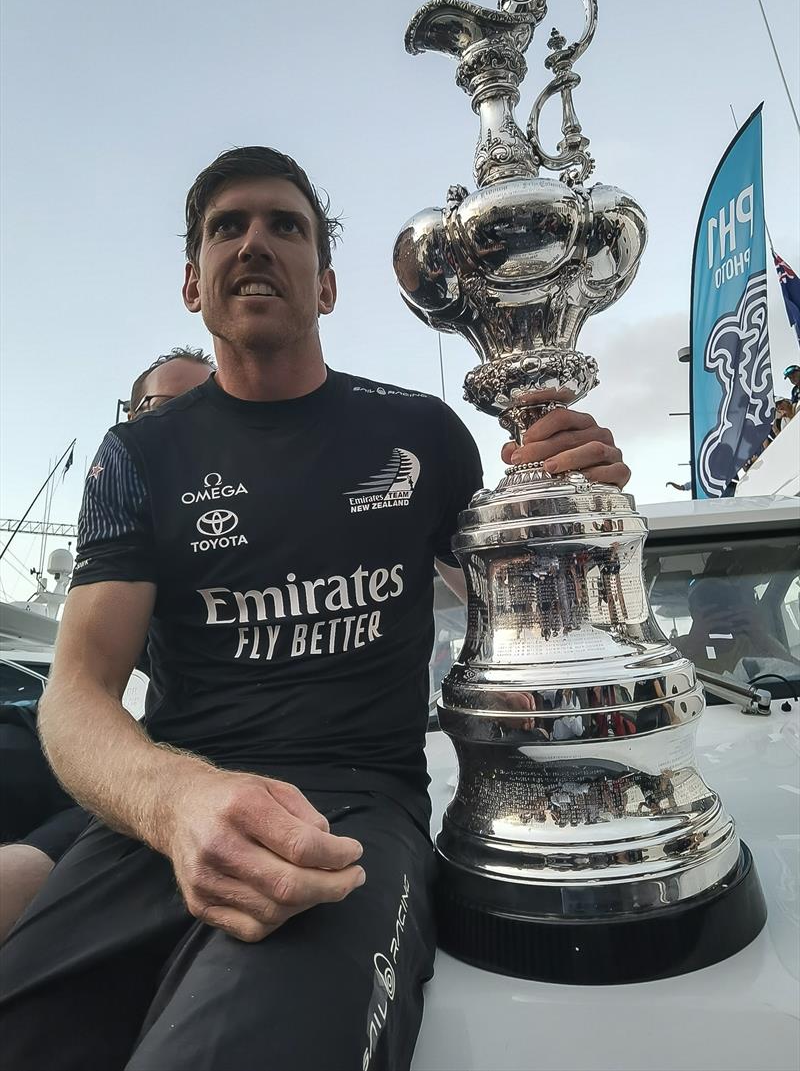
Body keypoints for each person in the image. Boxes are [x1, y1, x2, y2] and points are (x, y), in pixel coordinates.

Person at [0, 147, 630, 1071]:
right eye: (228, 227)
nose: (255, 241)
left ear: (327, 286)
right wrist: (178, 802)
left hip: (354, 812)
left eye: (285, 225)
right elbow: (77, 692)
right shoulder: (138, 456)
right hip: (163, 814)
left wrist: (571, 505)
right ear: (192, 282)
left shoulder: (419, 434)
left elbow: (523, 607)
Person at [0, 349, 215, 943]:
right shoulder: (116, 533)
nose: (184, 425)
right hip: (75, 738)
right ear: (130, 415)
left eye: (206, 407)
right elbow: (80, 687)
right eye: (164, 409)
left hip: (157, 763)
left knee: (48, 857)